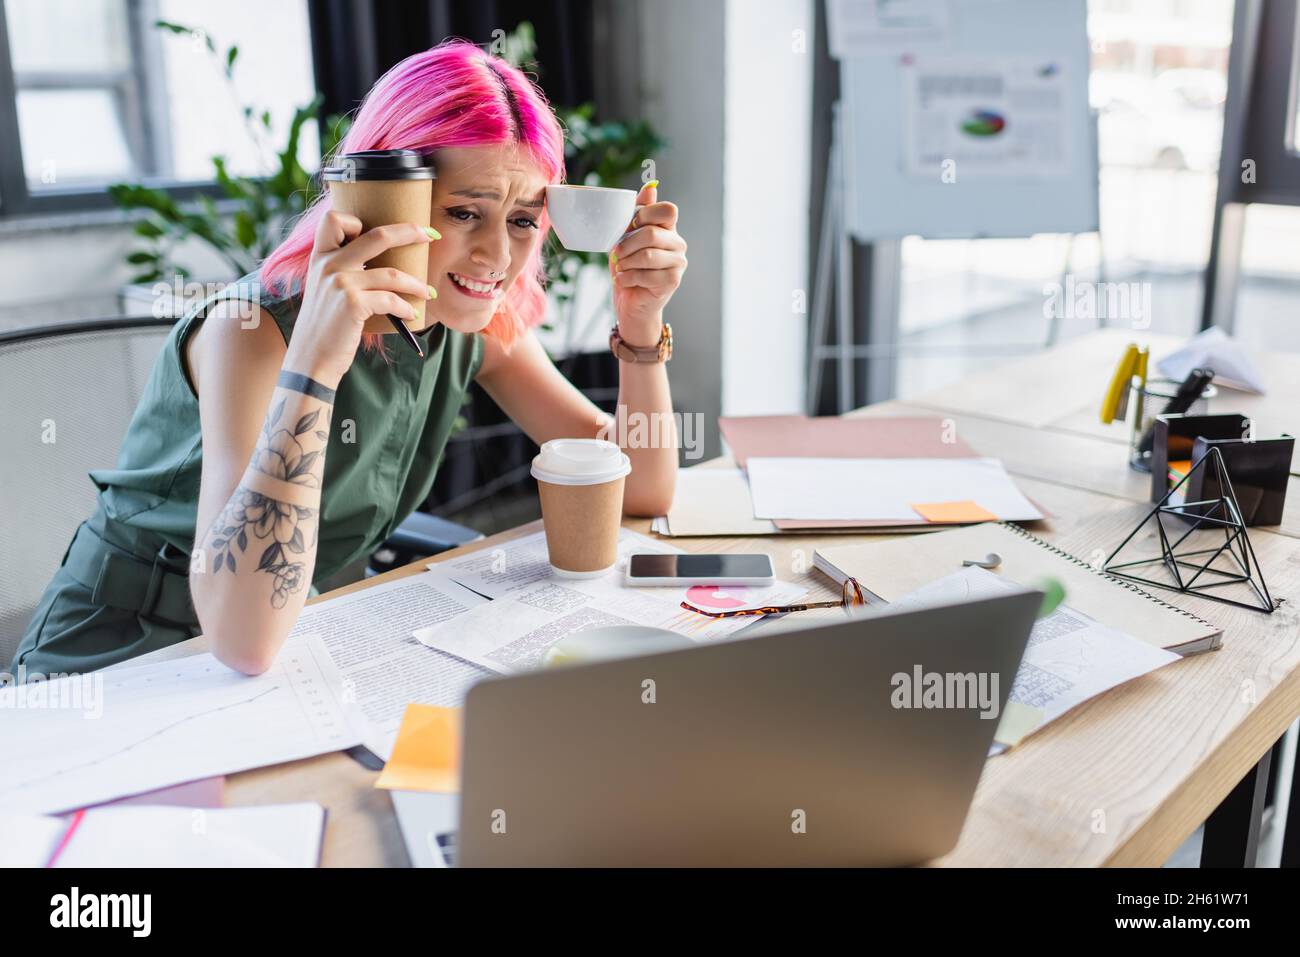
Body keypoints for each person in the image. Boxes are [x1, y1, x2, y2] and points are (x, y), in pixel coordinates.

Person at [11, 40, 685, 679]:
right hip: (127, 654)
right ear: (381, 191)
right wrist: (313, 366)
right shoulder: (252, 330)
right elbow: (240, 639)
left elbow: (640, 490)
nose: (498, 259)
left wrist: (640, 326)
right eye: (463, 212)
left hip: (299, 645)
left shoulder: (475, 322)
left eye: (522, 220)